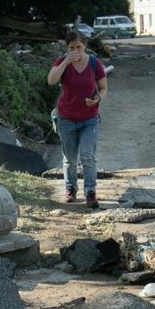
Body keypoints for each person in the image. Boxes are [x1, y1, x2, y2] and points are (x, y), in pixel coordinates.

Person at [47, 29, 107, 207]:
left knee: (88, 156)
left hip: (90, 118)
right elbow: (51, 81)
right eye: (72, 47)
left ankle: (90, 192)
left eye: (79, 47)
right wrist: (65, 62)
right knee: (70, 159)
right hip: (66, 118)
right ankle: (70, 189)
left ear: (85, 46)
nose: (76, 51)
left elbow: (103, 88)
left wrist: (97, 99)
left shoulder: (95, 63)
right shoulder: (62, 62)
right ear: (67, 48)